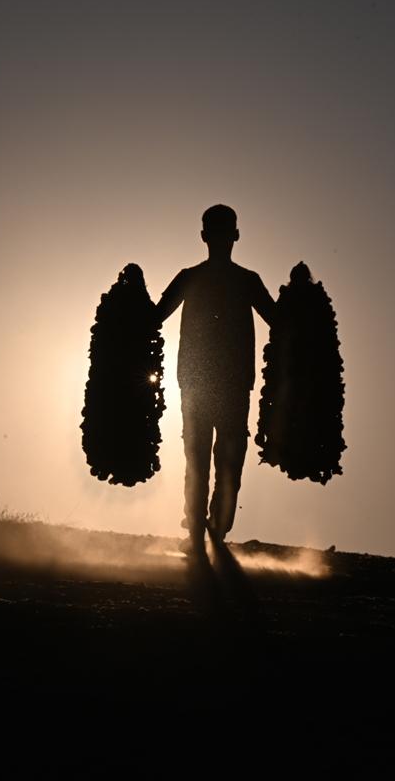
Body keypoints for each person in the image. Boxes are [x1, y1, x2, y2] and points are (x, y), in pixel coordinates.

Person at [155, 204, 277, 557]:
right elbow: (281, 322)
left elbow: (154, 317)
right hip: (231, 383)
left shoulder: (190, 277)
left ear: (204, 236)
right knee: (228, 457)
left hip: (198, 382)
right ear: (235, 236)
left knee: (198, 458)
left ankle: (200, 531)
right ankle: (213, 530)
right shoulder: (247, 281)